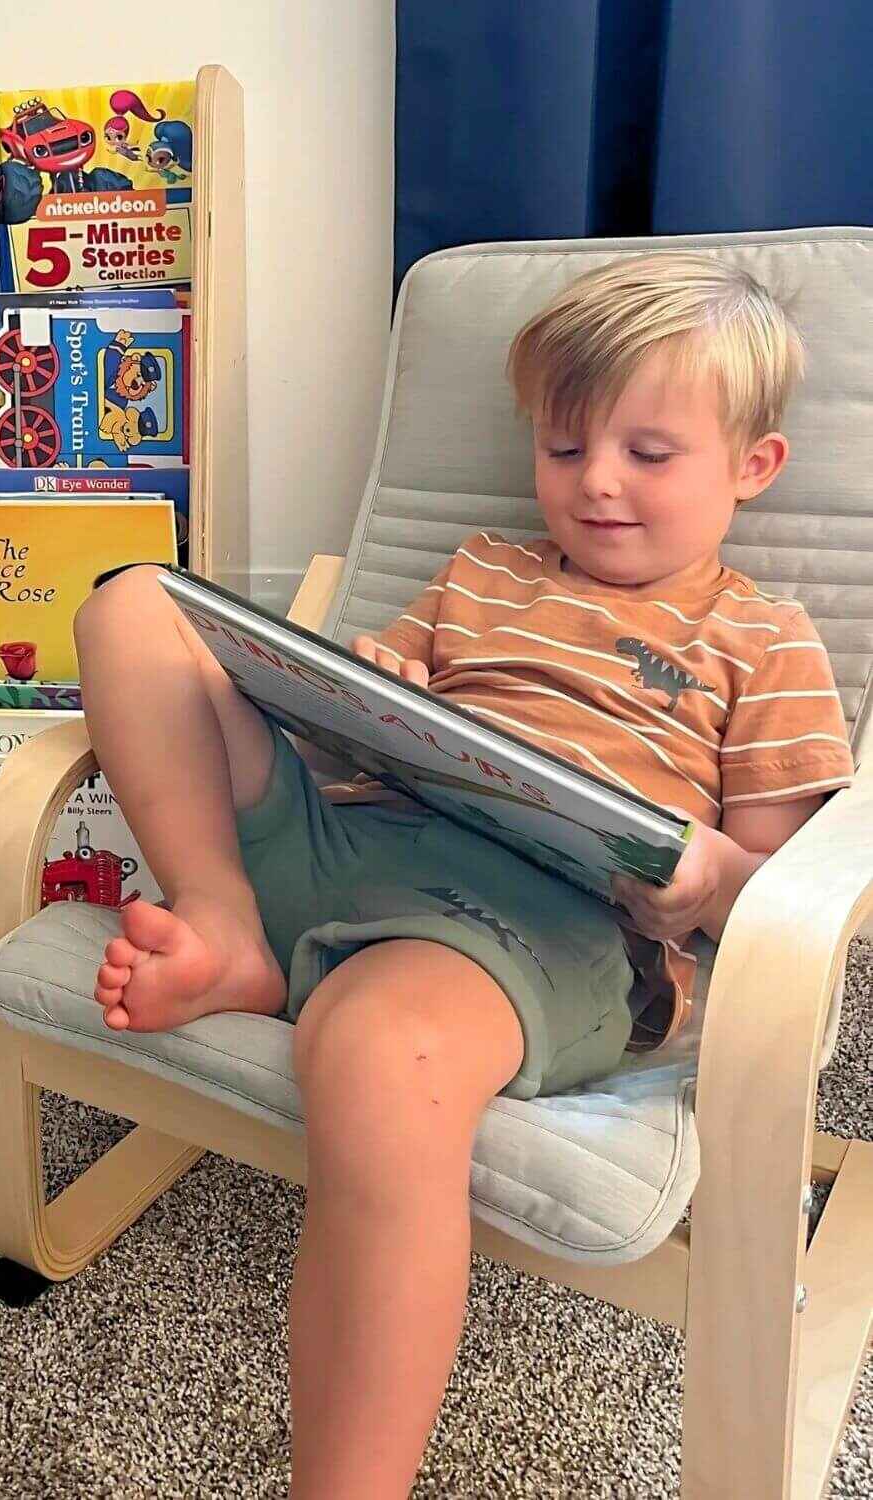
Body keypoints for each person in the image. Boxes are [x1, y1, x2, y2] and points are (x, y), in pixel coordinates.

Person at [72, 252, 855, 1498]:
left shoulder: (762, 639)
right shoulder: (482, 571)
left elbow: (789, 887)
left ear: (751, 469)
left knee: (380, 1054)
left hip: (545, 933)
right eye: (564, 448)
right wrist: (370, 691)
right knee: (130, 607)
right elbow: (359, 692)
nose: (595, 482)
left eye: (648, 455)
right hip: (356, 839)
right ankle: (223, 923)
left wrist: (708, 875)